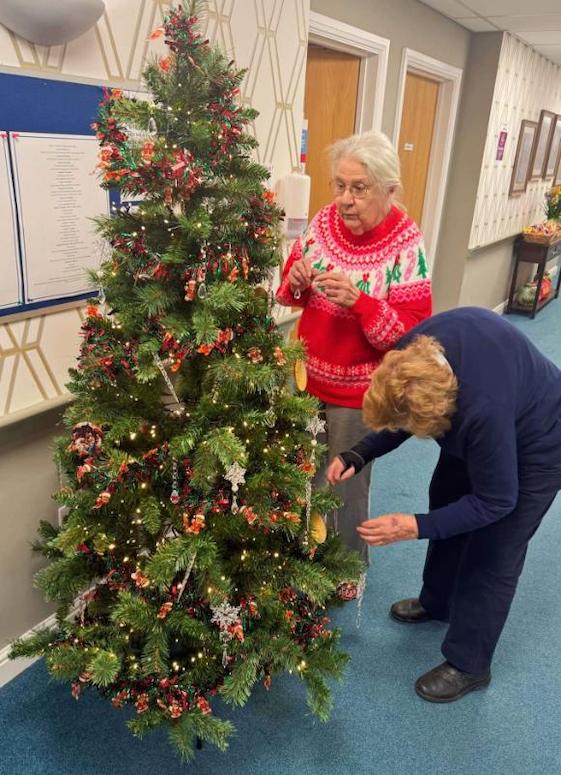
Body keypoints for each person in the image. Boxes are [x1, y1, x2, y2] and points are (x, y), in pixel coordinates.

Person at [327, 307, 561, 702]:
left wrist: (414, 525)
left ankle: (469, 664)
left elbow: (497, 500)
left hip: (541, 439)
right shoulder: (409, 356)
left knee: (493, 551)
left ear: (441, 416)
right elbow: (399, 414)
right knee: (448, 498)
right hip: (489, 409)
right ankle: (438, 602)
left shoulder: (481, 412)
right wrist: (359, 453)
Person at [276, 129, 432, 562]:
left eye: (359, 188)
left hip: (358, 392)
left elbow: (411, 336)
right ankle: (301, 553)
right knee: (301, 470)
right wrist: (296, 280)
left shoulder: (405, 243)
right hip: (306, 377)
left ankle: (347, 565)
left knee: (345, 481)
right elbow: (288, 290)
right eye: (340, 186)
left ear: (389, 190)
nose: (346, 199)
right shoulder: (324, 221)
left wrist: (360, 303)